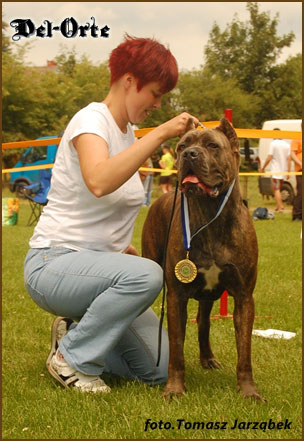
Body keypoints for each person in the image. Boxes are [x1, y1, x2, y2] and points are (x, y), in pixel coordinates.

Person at [24, 34, 199, 393]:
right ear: (129, 81)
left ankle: (74, 335)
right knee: (146, 276)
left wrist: (121, 253)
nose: (158, 103)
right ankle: (72, 360)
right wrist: (162, 134)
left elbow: (107, 209)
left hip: (93, 270)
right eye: (155, 93)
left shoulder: (129, 136)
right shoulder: (91, 121)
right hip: (52, 264)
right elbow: (99, 181)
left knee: (159, 368)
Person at [260, 129, 290, 213]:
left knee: (276, 189)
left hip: (275, 171)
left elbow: (269, 157)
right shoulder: (286, 145)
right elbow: (289, 159)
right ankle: (279, 206)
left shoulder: (273, 144)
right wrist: (288, 171)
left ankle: (280, 207)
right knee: (278, 189)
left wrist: (263, 167)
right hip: (283, 171)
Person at [288, 136, 302, 221]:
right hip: (300, 170)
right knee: (301, 192)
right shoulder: (296, 137)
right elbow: (292, 154)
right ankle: (297, 215)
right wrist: (300, 164)